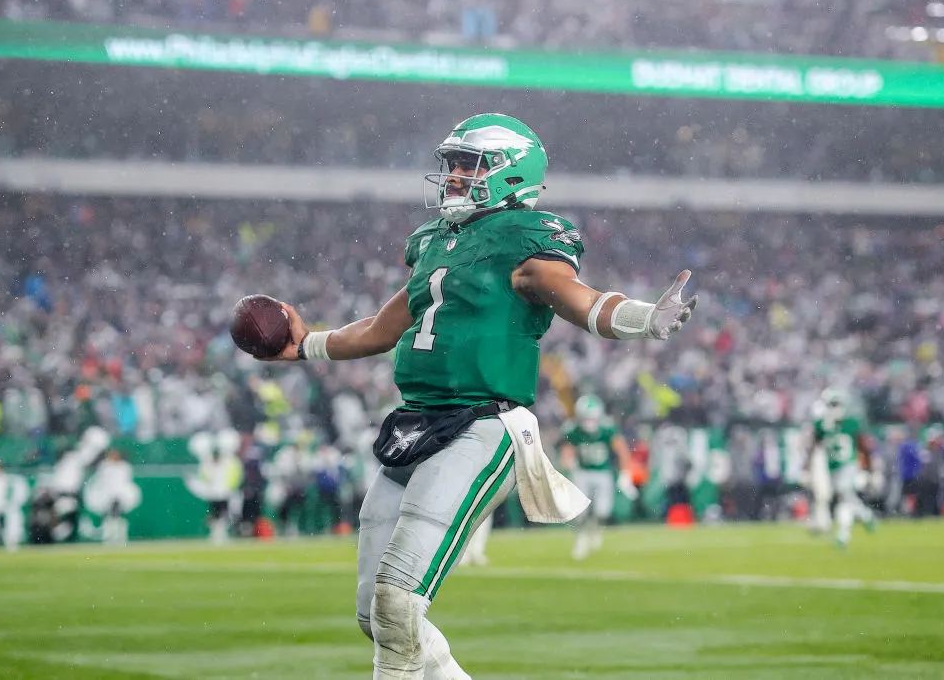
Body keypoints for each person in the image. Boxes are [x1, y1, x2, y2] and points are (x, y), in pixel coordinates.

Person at [257, 113, 697, 679]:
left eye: (471, 164)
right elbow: (381, 328)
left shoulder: (525, 239)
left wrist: (643, 318)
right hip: (417, 424)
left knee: (400, 601)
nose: (456, 176)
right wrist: (305, 347)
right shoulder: (437, 242)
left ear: (513, 174)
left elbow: (575, 296)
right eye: (453, 164)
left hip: (481, 424)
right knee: (376, 613)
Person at [559, 394, 634, 560]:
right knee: (579, 510)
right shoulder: (573, 428)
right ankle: (581, 538)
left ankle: (595, 530)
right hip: (582, 472)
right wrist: (569, 462)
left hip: (602, 472)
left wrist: (625, 473)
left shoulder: (606, 428)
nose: (589, 422)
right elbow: (567, 451)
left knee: (602, 511)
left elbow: (621, 450)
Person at [806, 388, 877, 548]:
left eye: (836, 404)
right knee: (844, 499)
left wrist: (868, 468)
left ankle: (847, 532)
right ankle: (864, 518)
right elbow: (814, 446)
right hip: (832, 469)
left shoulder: (851, 422)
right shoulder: (822, 425)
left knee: (844, 495)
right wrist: (808, 466)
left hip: (849, 466)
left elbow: (863, 447)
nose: (834, 408)